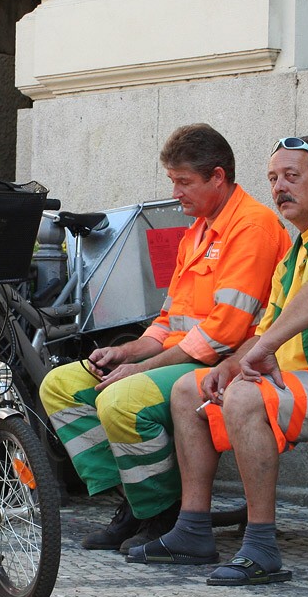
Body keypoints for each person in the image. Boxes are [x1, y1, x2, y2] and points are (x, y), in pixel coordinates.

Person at [129, 136, 308, 585]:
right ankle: (192, 529)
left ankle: (261, 545)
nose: (279, 187)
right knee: (191, 389)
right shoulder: (298, 248)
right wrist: (227, 364)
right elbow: (266, 329)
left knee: (244, 398)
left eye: (292, 176)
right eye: (273, 179)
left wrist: (258, 353)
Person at [39, 124, 290, 553]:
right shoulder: (195, 231)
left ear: (217, 176)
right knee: (59, 387)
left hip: (225, 364)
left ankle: (163, 512)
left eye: (184, 182)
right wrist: (125, 351)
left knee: (122, 399)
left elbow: (224, 333)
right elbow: (169, 319)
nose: (175, 192)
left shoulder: (253, 227)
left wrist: (140, 368)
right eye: (172, 181)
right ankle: (136, 503)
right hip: (185, 359)